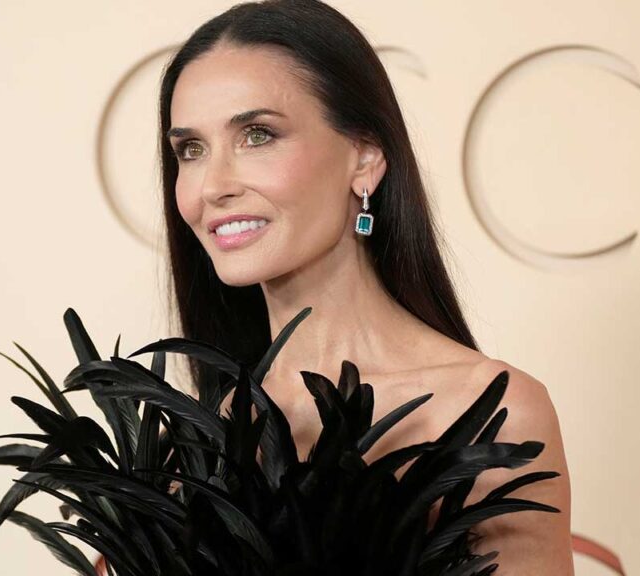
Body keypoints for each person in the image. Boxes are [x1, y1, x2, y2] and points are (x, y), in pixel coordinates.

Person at [156, 0, 574, 572]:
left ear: (365, 156)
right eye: (191, 149)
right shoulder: (201, 434)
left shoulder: (488, 412)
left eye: (257, 135)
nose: (213, 186)